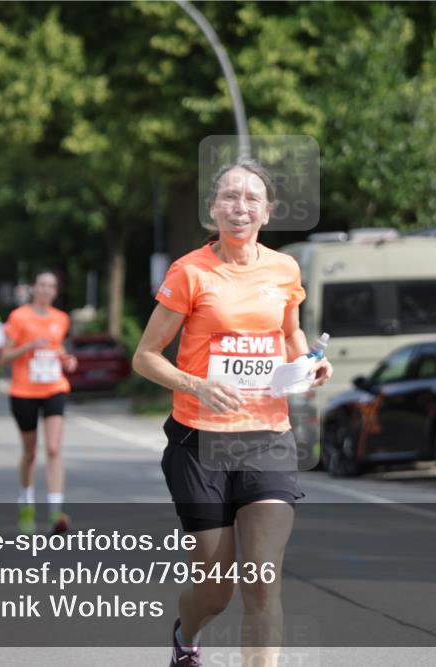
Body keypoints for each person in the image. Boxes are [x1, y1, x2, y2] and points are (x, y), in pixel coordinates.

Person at [132, 159, 332, 667]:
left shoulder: (285, 269)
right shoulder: (190, 271)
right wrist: (196, 384)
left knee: (262, 582)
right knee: (215, 590)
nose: (239, 206)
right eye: (229, 197)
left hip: (267, 436)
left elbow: (290, 334)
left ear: (267, 211)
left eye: (250, 198)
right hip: (200, 443)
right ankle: (187, 635)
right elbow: (146, 356)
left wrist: (309, 364)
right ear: (212, 209)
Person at [0, 271, 77, 535]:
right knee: (31, 452)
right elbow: (4, 357)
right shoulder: (19, 317)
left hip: (54, 387)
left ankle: (56, 512)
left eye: (51, 286)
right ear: (34, 288)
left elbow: (59, 350)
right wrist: (29, 346)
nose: (46, 289)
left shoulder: (61, 318)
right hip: (24, 390)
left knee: (54, 449)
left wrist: (68, 360)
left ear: (56, 291)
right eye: (42, 284)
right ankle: (26, 504)